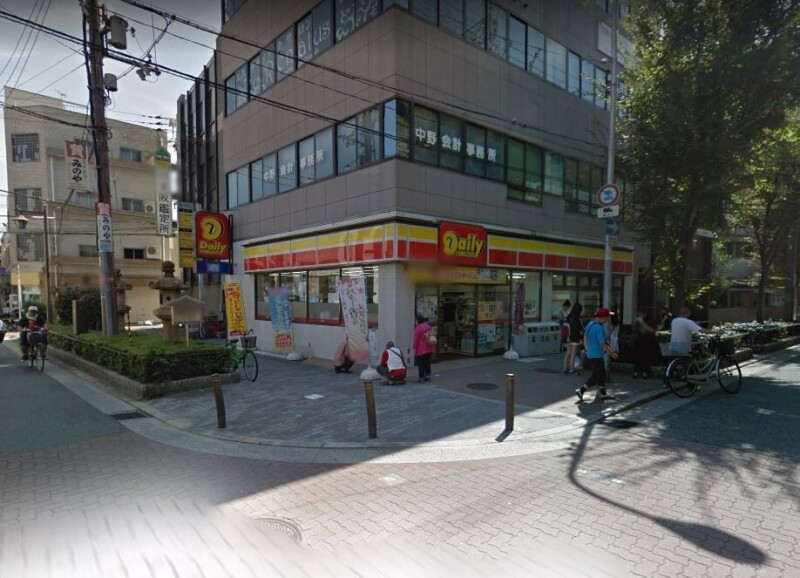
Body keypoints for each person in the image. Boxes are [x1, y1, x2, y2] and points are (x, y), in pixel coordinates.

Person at [662, 306, 715, 386]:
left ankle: (666, 383)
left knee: (670, 365)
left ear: (680, 313)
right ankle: (691, 385)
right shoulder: (688, 322)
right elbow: (701, 330)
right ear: (688, 314)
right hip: (683, 346)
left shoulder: (674, 321)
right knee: (690, 366)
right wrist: (716, 332)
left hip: (673, 345)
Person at [575, 307, 618, 402]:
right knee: (596, 375)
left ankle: (603, 393)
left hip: (591, 353)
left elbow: (585, 337)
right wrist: (612, 353)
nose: (608, 319)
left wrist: (587, 349)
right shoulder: (599, 328)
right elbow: (603, 344)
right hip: (596, 354)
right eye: (607, 317)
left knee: (602, 373)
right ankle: (581, 391)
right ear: (603, 317)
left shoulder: (590, 324)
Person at [632, 310, 657, 378]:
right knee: (637, 357)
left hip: (647, 341)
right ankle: (636, 371)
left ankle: (645, 371)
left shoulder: (649, 321)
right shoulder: (638, 321)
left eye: (641, 314)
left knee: (646, 357)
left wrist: (642, 322)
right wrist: (634, 323)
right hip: (639, 340)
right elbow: (634, 330)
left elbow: (652, 330)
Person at [561, 303, 584, 375]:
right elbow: (581, 329)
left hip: (567, 338)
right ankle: (571, 370)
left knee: (568, 353)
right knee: (573, 354)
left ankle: (564, 369)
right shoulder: (577, 319)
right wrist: (581, 338)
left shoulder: (569, 317)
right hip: (575, 338)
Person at [412, 314, 435, 383]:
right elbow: (430, 336)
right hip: (429, 347)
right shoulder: (428, 326)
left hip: (421, 348)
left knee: (421, 363)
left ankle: (421, 377)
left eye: (415, 320)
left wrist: (414, 348)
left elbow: (416, 340)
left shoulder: (418, 328)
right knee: (427, 362)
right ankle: (428, 376)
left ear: (417, 321)